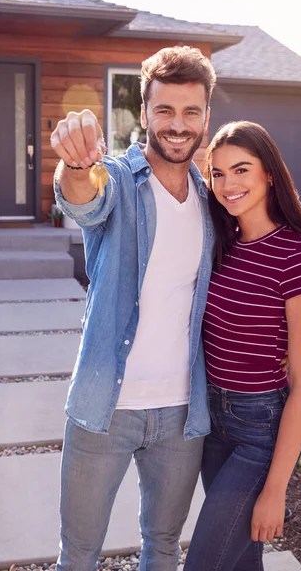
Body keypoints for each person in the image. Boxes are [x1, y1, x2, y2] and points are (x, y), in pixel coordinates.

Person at [50, 45, 216, 571]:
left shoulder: (211, 198)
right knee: (78, 557)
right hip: (105, 407)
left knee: (163, 548)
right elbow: (83, 197)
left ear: (206, 116)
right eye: (164, 110)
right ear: (144, 113)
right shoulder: (118, 177)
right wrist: (76, 164)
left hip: (181, 413)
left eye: (191, 111)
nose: (177, 124)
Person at [183, 120, 301, 571]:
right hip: (213, 423)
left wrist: (276, 488)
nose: (229, 185)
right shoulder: (220, 244)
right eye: (218, 173)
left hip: (259, 430)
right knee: (240, 560)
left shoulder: (298, 257)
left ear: (270, 173)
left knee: (205, 562)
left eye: (242, 170)